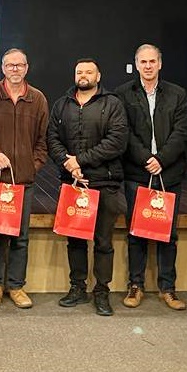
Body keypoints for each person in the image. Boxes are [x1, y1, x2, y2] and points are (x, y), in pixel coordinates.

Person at [47, 58, 128, 317]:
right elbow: (52, 140)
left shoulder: (112, 103)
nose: (83, 75)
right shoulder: (62, 104)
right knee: (76, 240)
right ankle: (77, 288)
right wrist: (70, 165)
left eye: (89, 71)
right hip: (72, 183)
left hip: (104, 182)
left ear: (98, 75)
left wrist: (79, 160)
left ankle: (102, 292)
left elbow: (116, 142)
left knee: (103, 242)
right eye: (79, 72)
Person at [115, 44, 187, 311]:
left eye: (152, 61)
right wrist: (147, 158)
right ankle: (135, 285)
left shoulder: (177, 94)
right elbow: (123, 132)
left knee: (168, 234)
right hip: (138, 172)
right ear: (136, 64)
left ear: (160, 64)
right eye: (143, 62)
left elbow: (181, 132)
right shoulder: (123, 94)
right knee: (136, 232)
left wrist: (162, 160)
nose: (147, 66)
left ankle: (168, 288)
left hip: (168, 173)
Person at [0, 48, 49, 309]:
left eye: (20, 65)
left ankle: (16, 286)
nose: (15, 69)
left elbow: (44, 140)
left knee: (20, 235)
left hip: (23, 181)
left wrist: (32, 166)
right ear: (3, 68)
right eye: (10, 65)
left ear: (27, 68)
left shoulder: (38, 99)